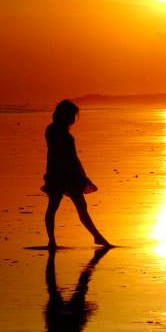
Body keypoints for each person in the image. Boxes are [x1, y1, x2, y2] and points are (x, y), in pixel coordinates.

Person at [42, 100, 111, 248]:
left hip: (57, 172)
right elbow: (71, 157)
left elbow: (68, 156)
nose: (73, 118)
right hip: (64, 174)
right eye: (72, 115)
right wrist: (83, 177)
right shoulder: (59, 132)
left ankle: (53, 241)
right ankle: (95, 237)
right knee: (67, 206)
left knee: (57, 206)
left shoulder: (52, 130)